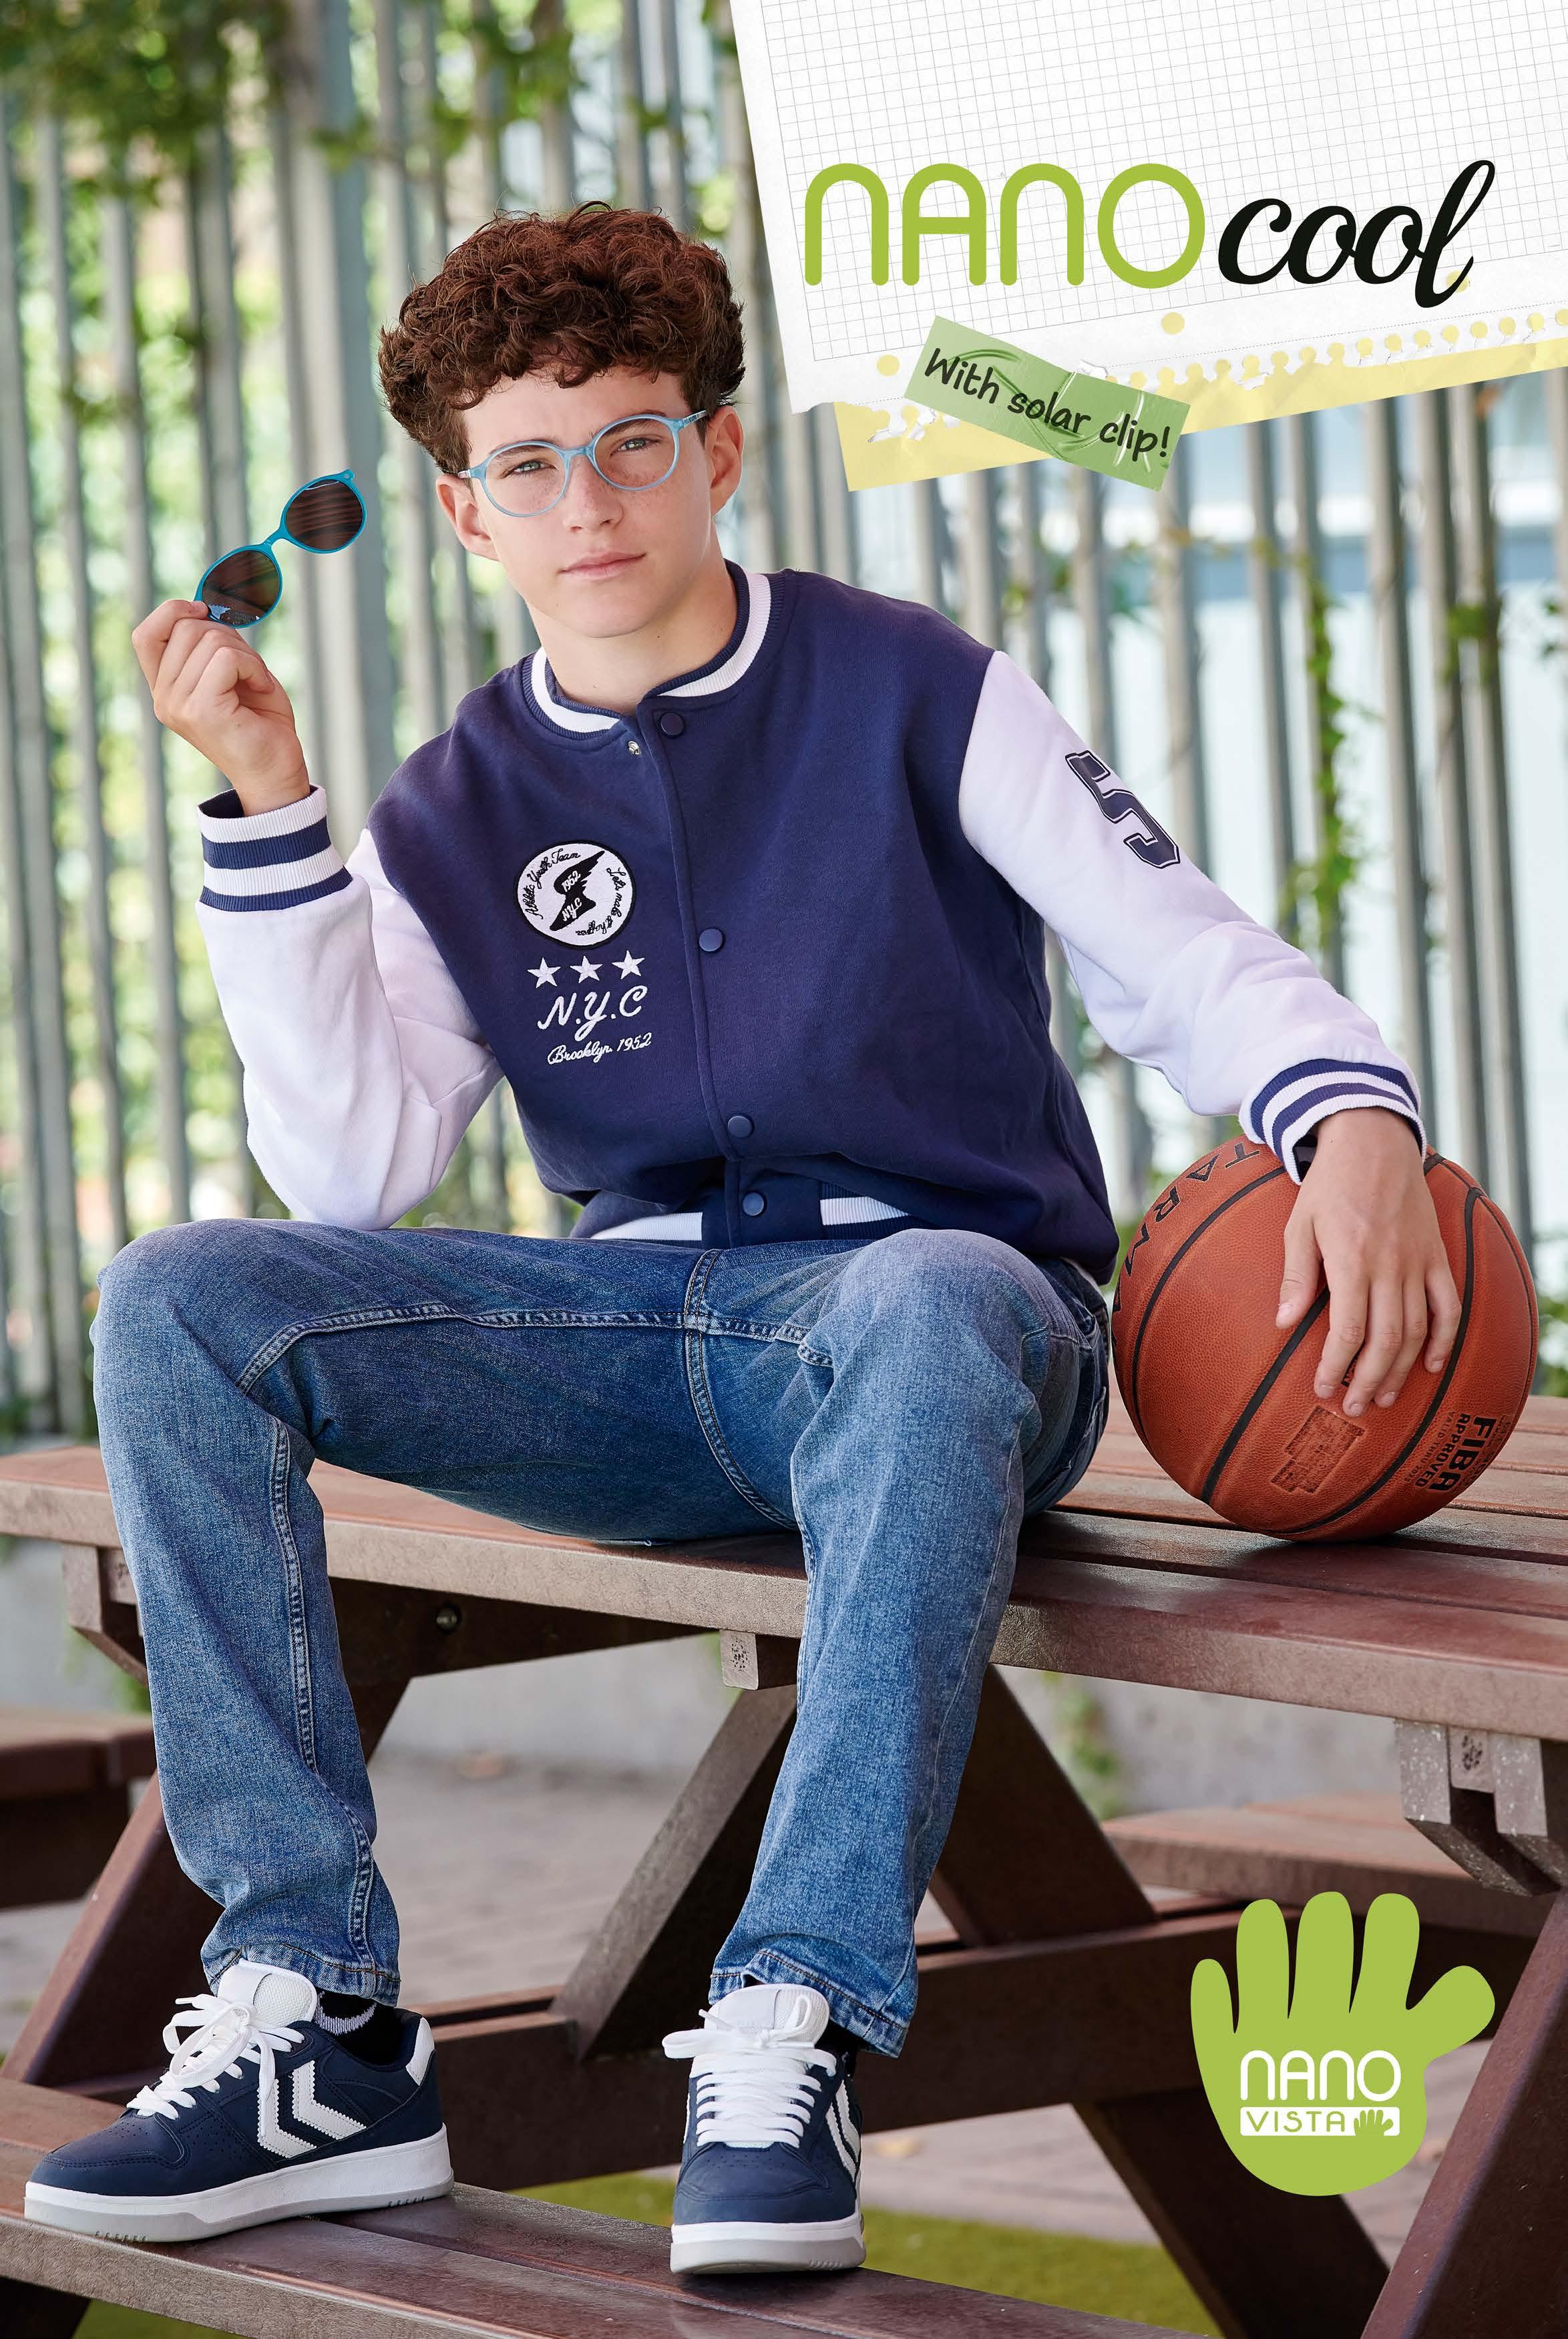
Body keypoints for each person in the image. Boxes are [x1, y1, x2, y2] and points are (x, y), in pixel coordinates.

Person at [25, 200, 1459, 2274]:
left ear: (714, 449)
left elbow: (1180, 955)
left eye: (630, 442)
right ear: (465, 514)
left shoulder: (917, 687)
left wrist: (1349, 1118)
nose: (587, 502)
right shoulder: (452, 804)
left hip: (951, 1330)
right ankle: (312, 2017)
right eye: (529, 465)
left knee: (929, 1293)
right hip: (643, 1355)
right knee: (185, 1296)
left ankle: (789, 2020)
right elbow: (348, 1169)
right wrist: (264, 805)